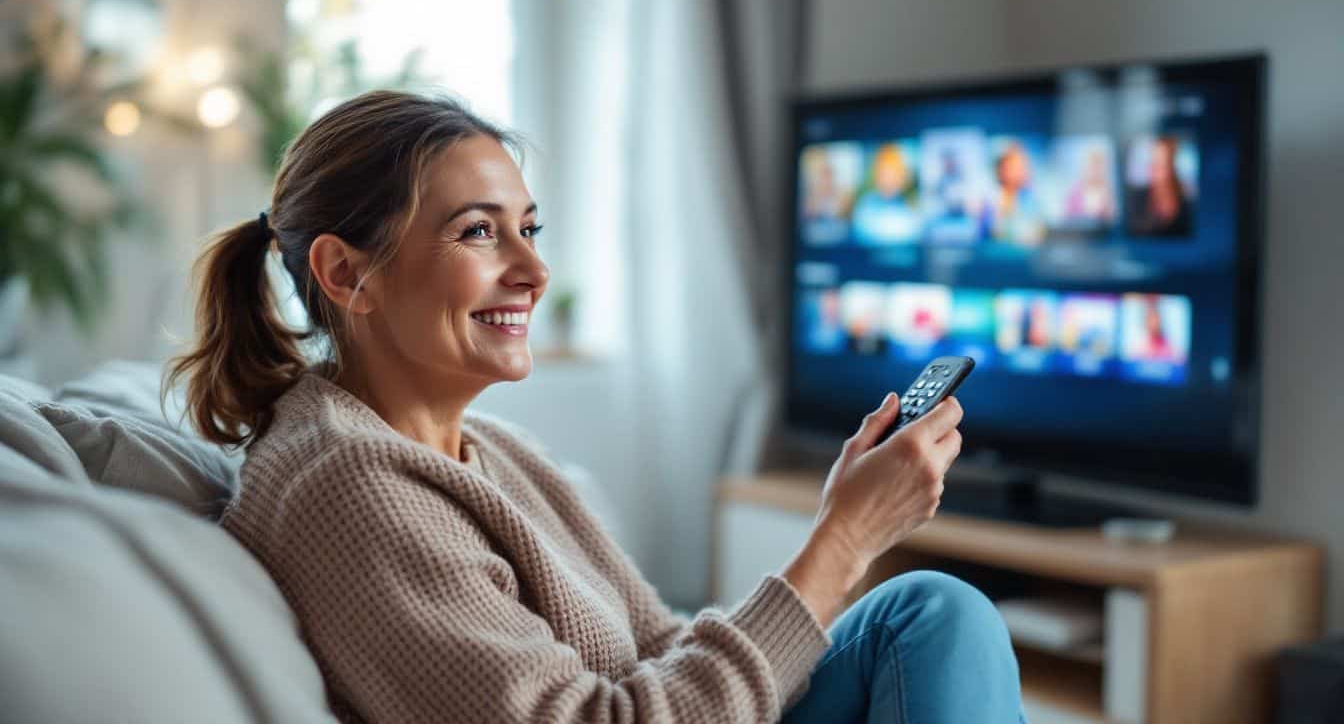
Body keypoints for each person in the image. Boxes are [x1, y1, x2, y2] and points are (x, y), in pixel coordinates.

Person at [165, 90, 1025, 724]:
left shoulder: (492, 452)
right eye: (477, 232)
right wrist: (842, 543)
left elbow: (661, 646)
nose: (534, 273)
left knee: (932, 612)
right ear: (347, 273)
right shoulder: (346, 490)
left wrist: (844, 527)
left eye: (528, 230)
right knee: (935, 617)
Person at [1126, 136, 1192, 237]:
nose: (1153, 170)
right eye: (1151, 163)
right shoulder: (1136, 198)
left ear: (1172, 167)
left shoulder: (1187, 201)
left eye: (1161, 165)